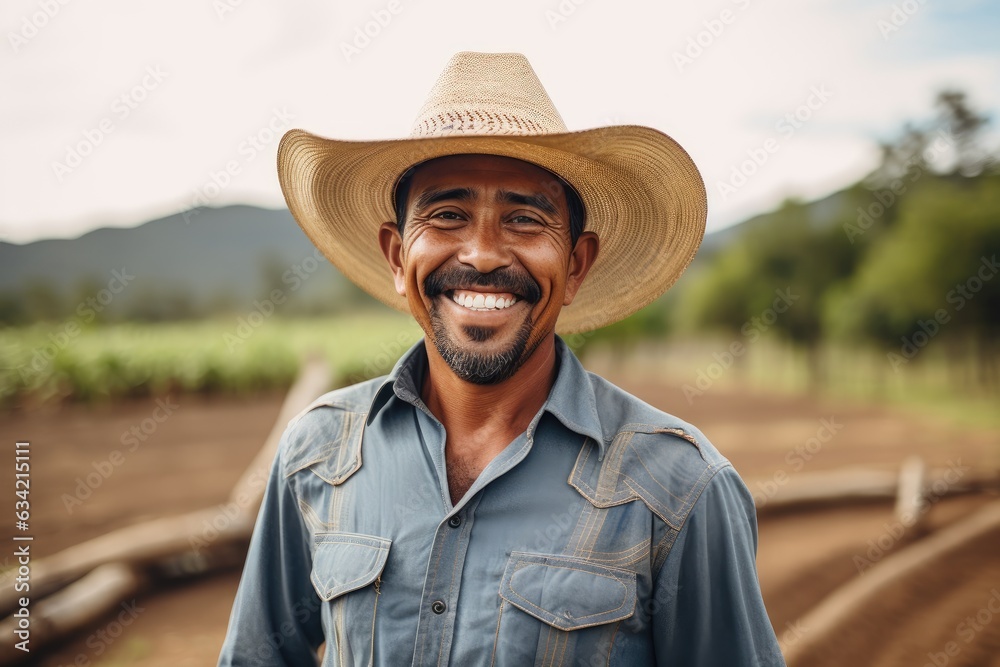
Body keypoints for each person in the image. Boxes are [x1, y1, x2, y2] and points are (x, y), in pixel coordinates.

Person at [218, 51, 785, 666]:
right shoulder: (317, 456)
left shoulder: (679, 491)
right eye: (447, 215)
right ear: (395, 256)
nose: (484, 254)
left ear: (575, 265)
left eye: (523, 218)